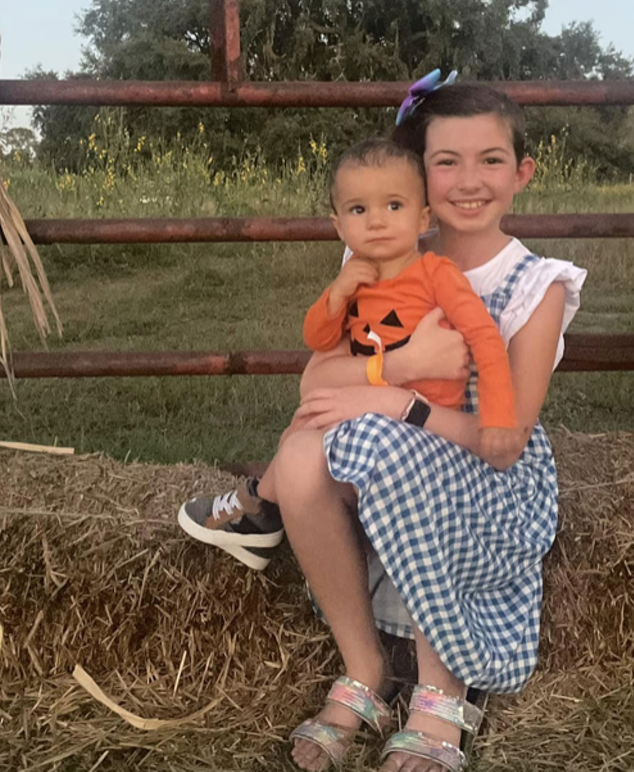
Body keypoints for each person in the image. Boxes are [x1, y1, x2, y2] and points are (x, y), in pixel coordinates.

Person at [179, 80, 586, 772]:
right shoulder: (372, 260)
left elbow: (505, 440)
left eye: (490, 160)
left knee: (386, 446)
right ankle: (364, 666)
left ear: (521, 174)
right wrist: (402, 366)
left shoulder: (535, 287)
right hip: (383, 444)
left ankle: (442, 690)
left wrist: (401, 406)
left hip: (487, 477)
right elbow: (315, 383)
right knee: (306, 449)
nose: (468, 181)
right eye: (446, 161)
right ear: (419, 176)